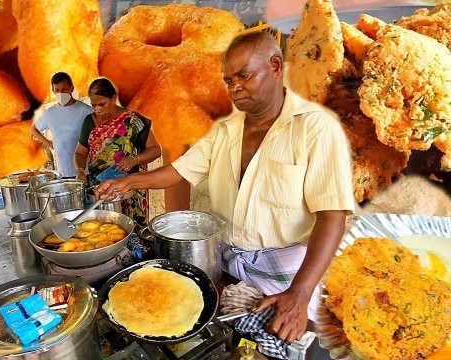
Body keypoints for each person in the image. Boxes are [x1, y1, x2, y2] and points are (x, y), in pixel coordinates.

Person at [96, 31, 355, 342]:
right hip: (228, 263)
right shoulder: (225, 132)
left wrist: (299, 294)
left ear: (275, 66)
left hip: (287, 275)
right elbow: (179, 171)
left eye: (243, 76)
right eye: (228, 80)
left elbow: (333, 216)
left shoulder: (315, 128)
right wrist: (128, 181)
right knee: (231, 341)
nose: (234, 88)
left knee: (286, 344)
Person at [75, 78, 162, 226]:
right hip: (99, 191)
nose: (98, 110)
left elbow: (155, 151)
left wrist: (134, 159)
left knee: (130, 230)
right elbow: (80, 153)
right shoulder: (89, 121)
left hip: (129, 190)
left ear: (114, 98)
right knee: (102, 229)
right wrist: (80, 170)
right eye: (93, 105)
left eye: (102, 104)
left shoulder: (133, 120)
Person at [31, 72, 93, 177]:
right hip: (62, 172)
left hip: (84, 172)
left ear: (71, 88)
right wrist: (50, 144)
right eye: (57, 90)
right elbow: (34, 129)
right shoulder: (50, 113)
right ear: (53, 91)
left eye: (64, 89)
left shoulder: (86, 110)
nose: (60, 93)